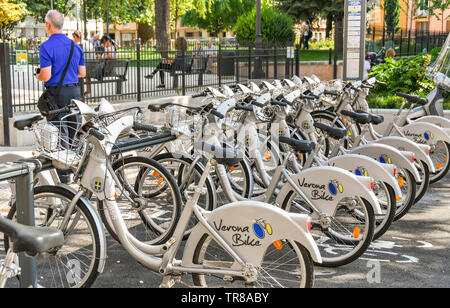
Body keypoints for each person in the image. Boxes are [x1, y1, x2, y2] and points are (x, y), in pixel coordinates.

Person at [35, 10, 86, 184]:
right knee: (73, 132)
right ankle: (75, 170)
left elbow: (46, 76)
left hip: (56, 95)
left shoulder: (46, 46)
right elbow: (82, 73)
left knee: (58, 134)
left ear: (48, 25)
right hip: (75, 93)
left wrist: (38, 75)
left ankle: (64, 178)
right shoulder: (75, 46)